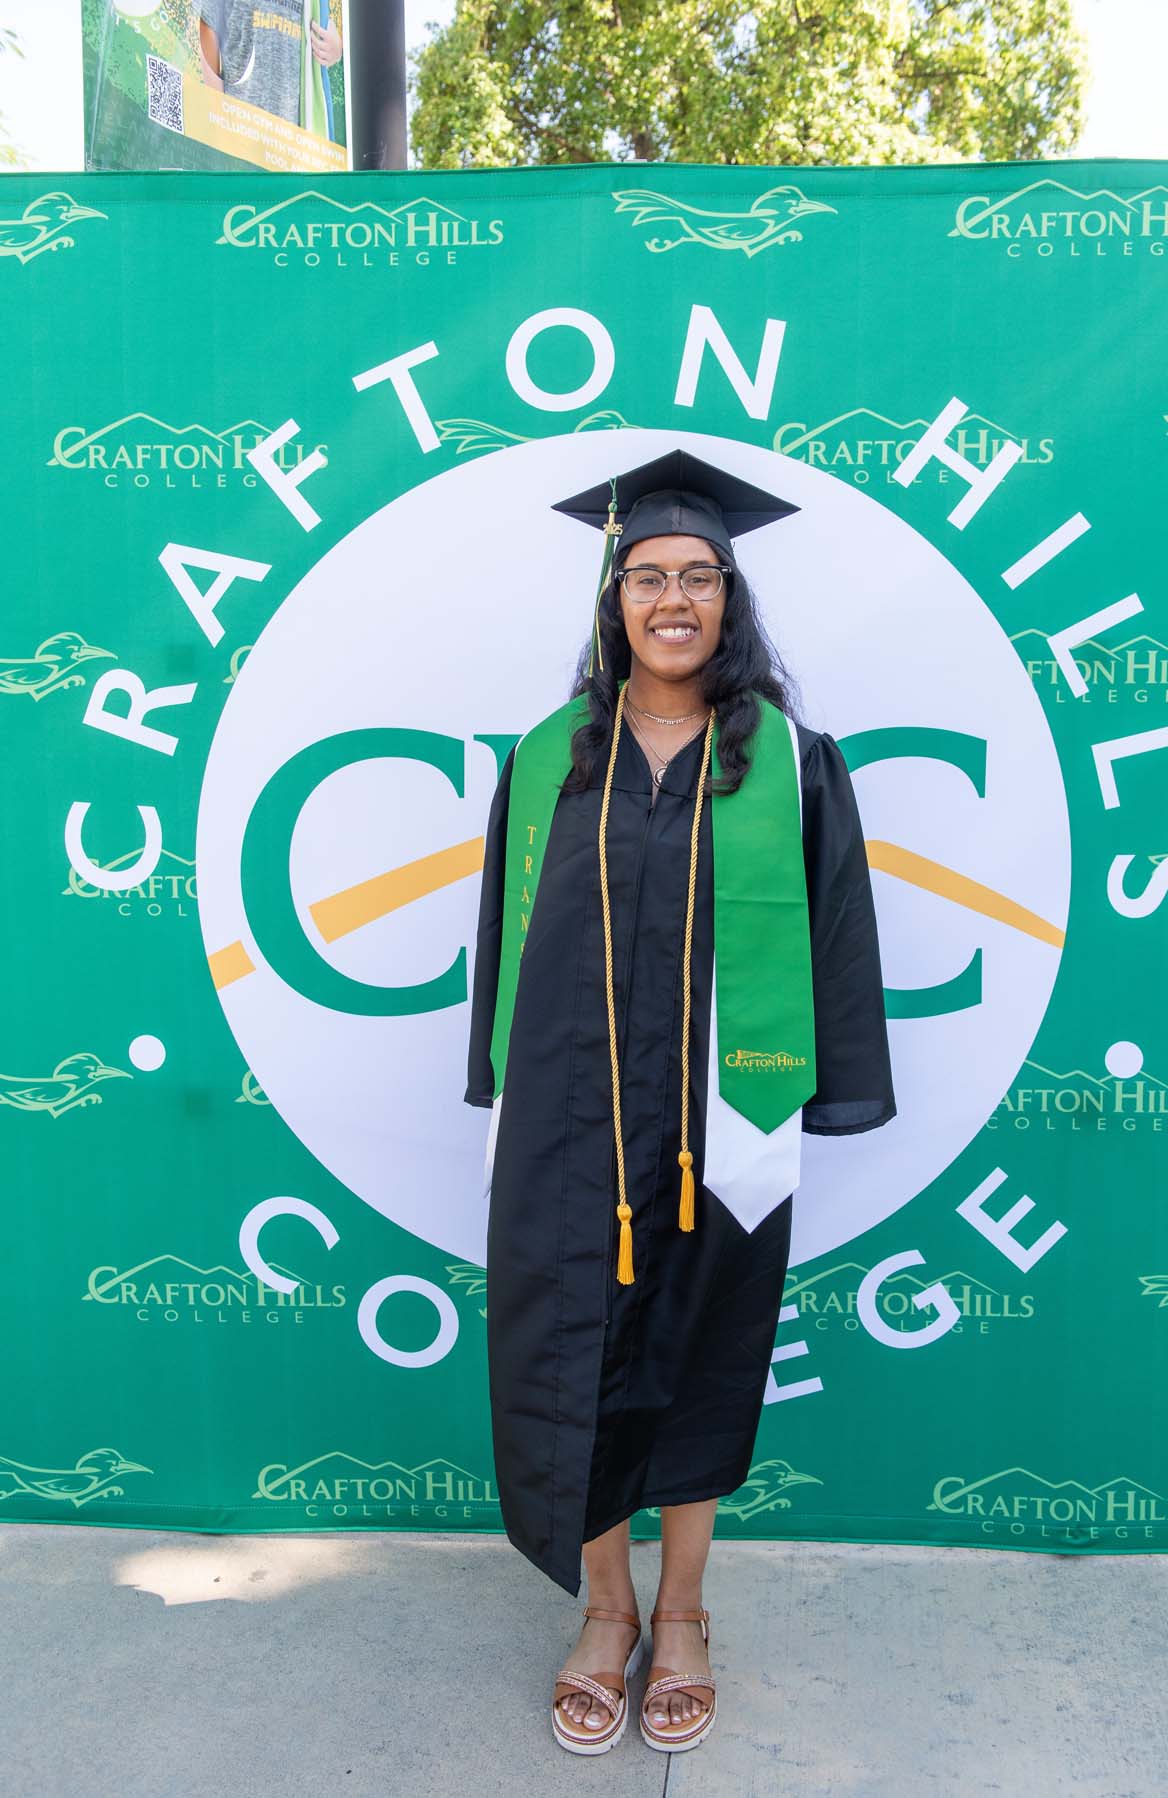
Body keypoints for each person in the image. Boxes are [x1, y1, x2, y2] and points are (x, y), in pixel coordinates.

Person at [465, 448, 896, 1755]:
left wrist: (836, 1091)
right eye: (646, 575)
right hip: (574, 1121)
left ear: (728, 596)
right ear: (614, 600)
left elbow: (836, 930)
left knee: (703, 1354)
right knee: (575, 1358)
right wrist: (501, 1083)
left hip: (727, 1126)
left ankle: (688, 1611)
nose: (671, 598)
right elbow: (506, 929)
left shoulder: (792, 760)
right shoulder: (552, 757)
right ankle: (606, 1612)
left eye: (696, 575)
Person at [196, 1, 342, 134]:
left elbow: (323, 20)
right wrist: (217, 111)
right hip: (240, 121)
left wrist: (337, 48)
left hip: (296, 136)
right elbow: (208, 24)